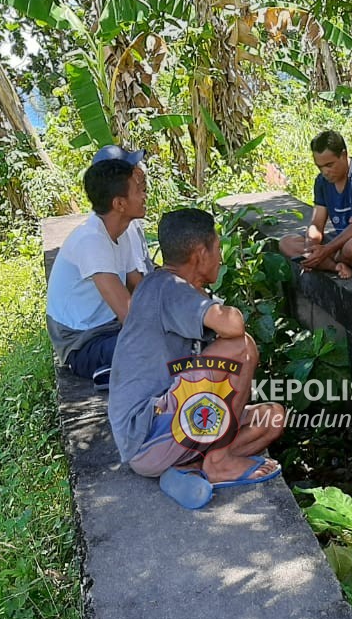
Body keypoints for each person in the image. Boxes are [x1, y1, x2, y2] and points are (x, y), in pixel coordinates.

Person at [108, 208, 284, 507]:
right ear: (200, 254)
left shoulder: (170, 287)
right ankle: (218, 460)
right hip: (147, 432)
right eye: (217, 248)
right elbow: (233, 326)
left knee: (273, 417)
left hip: (173, 428)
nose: (221, 257)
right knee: (241, 347)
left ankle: (188, 470)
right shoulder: (168, 287)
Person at [46, 145, 154, 385]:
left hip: (107, 326)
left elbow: (139, 286)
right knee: (158, 347)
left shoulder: (121, 230)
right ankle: (109, 373)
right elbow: (128, 313)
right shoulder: (92, 241)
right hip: (82, 343)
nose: (145, 195)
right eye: (138, 190)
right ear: (119, 204)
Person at [277, 130, 352, 279]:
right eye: (320, 167)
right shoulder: (321, 182)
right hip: (340, 241)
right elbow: (316, 223)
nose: (325, 172)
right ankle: (336, 267)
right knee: (286, 243)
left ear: (343, 155)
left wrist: (326, 250)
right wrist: (310, 249)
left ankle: (330, 260)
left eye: (329, 165)